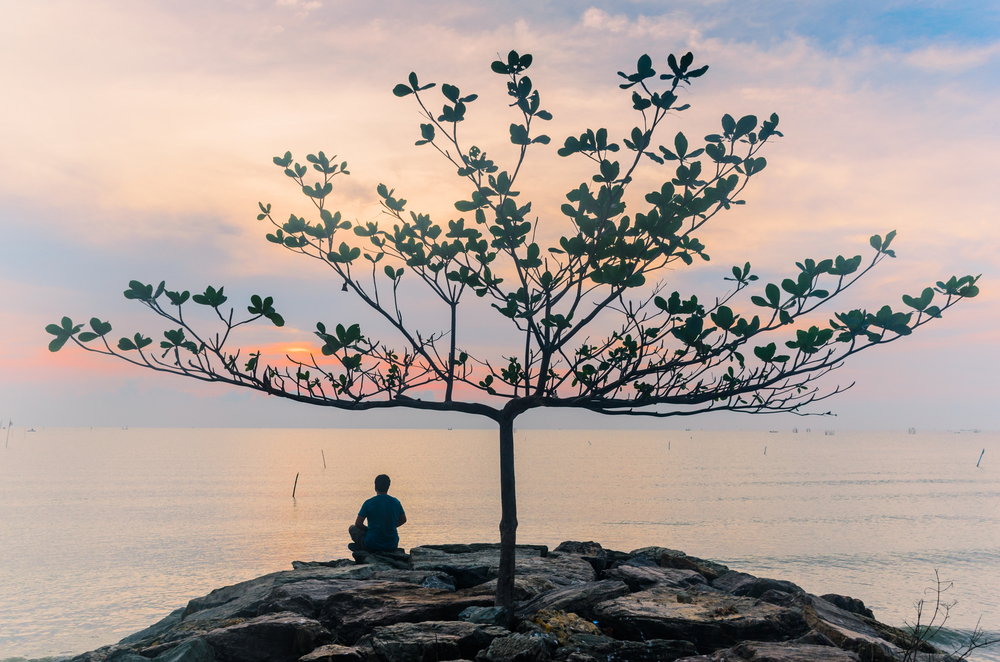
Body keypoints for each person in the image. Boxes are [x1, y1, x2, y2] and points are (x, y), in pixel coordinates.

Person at [349, 474, 406, 552]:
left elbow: (358, 524)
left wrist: (368, 530)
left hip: (372, 545)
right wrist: (389, 527)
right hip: (392, 545)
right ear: (388, 486)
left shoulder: (368, 503)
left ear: (375, 487)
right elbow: (403, 520)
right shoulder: (396, 502)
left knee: (352, 528)